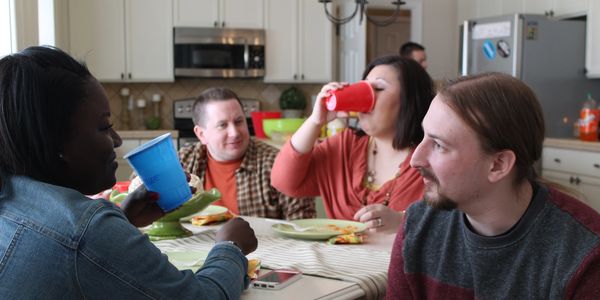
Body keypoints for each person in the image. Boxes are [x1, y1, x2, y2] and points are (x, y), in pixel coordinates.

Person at [0, 46, 258, 299]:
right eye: (104, 126)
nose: (117, 139)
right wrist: (230, 247)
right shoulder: (86, 230)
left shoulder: (10, 196)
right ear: (56, 143)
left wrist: (122, 220)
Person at [387, 73, 600, 298]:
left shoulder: (585, 254)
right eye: (424, 136)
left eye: (439, 145)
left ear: (498, 165)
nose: (415, 160)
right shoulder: (418, 227)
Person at [271, 55, 435, 232]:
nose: (368, 95)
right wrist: (315, 121)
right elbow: (285, 182)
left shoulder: (430, 159)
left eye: (379, 88)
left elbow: (451, 226)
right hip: (341, 260)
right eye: (364, 87)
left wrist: (402, 221)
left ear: (410, 100)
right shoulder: (345, 146)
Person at [179, 87, 315, 220]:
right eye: (222, 125)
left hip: (262, 243)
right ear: (201, 134)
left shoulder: (277, 163)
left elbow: (304, 224)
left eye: (239, 121)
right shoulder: (182, 163)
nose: (235, 133)